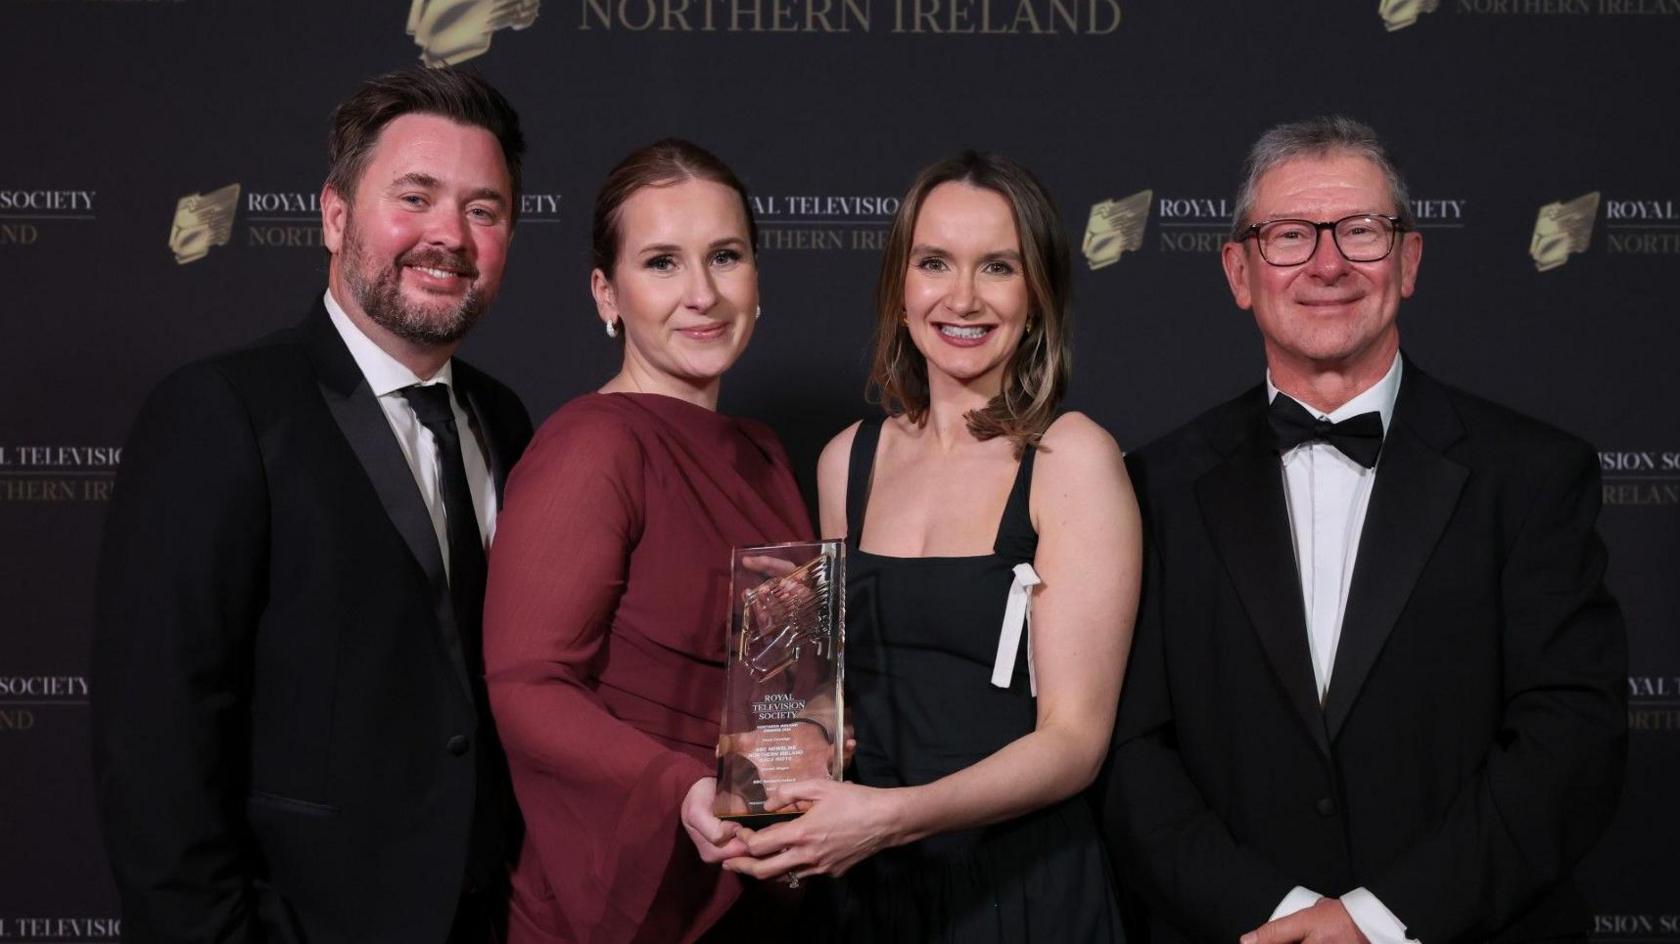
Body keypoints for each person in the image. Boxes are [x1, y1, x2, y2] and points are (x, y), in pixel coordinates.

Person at [1104, 116, 1626, 944]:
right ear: (1239, 272)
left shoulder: (1534, 475)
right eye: (1289, 235)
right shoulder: (1150, 486)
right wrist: (1277, 919)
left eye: (1361, 231)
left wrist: (1376, 923)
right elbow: (1131, 751)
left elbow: (1572, 741)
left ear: (1409, 261)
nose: (1327, 263)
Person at [92, 67, 533, 943]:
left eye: (484, 210)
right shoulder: (220, 411)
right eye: (415, 197)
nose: (450, 234)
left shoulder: (506, 419)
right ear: (335, 214)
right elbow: (154, 741)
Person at [724, 151, 1141, 941]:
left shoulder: (1071, 457)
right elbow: (828, 699)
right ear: (900, 286)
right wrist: (777, 776)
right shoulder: (848, 460)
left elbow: (1075, 742)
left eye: (998, 267)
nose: (963, 298)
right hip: (866, 888)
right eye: (935, 263)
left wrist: (892, 818)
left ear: (1039, 294)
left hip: (1016, 890)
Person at [482, 139, 813, 944]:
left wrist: (812, 747)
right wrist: (681, 791)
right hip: (630, 893)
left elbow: (786, 669)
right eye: (663, 263)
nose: (702, 294)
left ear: (757, 280)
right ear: (607, 293)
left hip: (758, 873)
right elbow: (528, 685)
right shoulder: (594, 447)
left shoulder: (763, 452)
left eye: (725, 257)